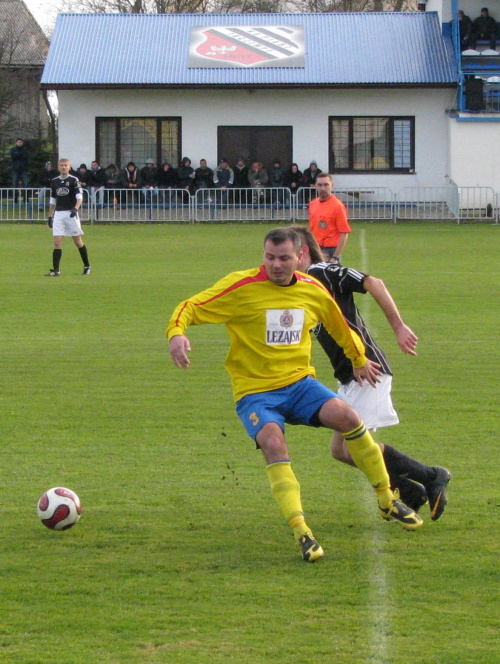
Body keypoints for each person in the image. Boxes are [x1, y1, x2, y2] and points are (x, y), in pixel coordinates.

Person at [168, 227, 422, 563]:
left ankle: (387, 499)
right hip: (256, 392)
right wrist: (177, 333)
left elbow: (339, 325)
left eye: (284, 258)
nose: (276, 265)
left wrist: (359, 358)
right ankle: (302, 530)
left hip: (300, 385)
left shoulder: (312, 290)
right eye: (270, 257)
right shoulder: (241, 287)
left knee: (349, 417)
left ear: (299, 256)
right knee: (274, 442)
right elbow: (191, 305)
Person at [291, 225, 451, 519]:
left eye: (286, 255)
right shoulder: (301, 286)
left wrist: (399, 326)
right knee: (341, 451)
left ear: (301, 253)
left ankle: (431, 476)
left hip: (368, 370)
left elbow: (373, 282)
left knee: (358, 449)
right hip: (349, 377)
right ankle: (411, 490)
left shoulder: (322, 272)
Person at [45, 158, 91, 277]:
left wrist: (75, 209)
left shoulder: (73, 180)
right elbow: (53, 200)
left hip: (70, 213)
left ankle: (87, 266)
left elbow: (79, 197)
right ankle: (56, 270)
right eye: (62, 165)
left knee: (77, 241)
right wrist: (50, 216)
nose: (64, 167)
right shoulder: (54, 181)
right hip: (59, 214)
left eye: (66, 165)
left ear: (69, 167)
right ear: (58, 166)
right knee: (57, 243)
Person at [308, 172, 351, 261]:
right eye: (320, 185)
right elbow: (312, 228)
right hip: (316, 248)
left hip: (331, 250)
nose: (323, 188)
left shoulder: (338, 206)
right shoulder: (313, 204)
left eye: (326, 185)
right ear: (315, 185)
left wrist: (335, 256)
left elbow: (344, 233)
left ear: (332, 185)